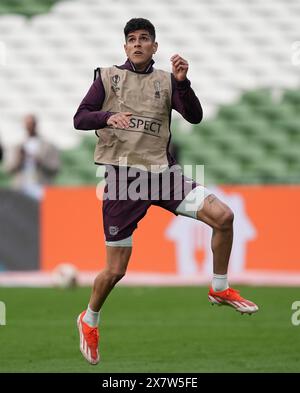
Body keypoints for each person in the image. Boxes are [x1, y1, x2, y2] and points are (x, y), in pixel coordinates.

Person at [74, 18, 258, 365]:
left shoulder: (166, 81)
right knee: (115, 271)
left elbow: (196, 116)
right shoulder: (108, 77)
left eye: (145, 39)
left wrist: (183, 83)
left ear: (155, 47)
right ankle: (89, 319)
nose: (138, 44)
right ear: (125, 47)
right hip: (123, 180)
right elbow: (79, 118)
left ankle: (219, 288)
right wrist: (106, 117)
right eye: (132, 39)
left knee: (224, 216)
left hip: (163, 175)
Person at [6, 114, 60, 199]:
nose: (29, 127)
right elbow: (9, 169)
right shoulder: (17, 146)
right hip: (21, 186)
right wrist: (20, 159)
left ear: (36, 125)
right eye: (27, 124)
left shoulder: (48, 146)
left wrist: (40, 162)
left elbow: (55, 168)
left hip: (41, 186)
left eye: (31, 124)